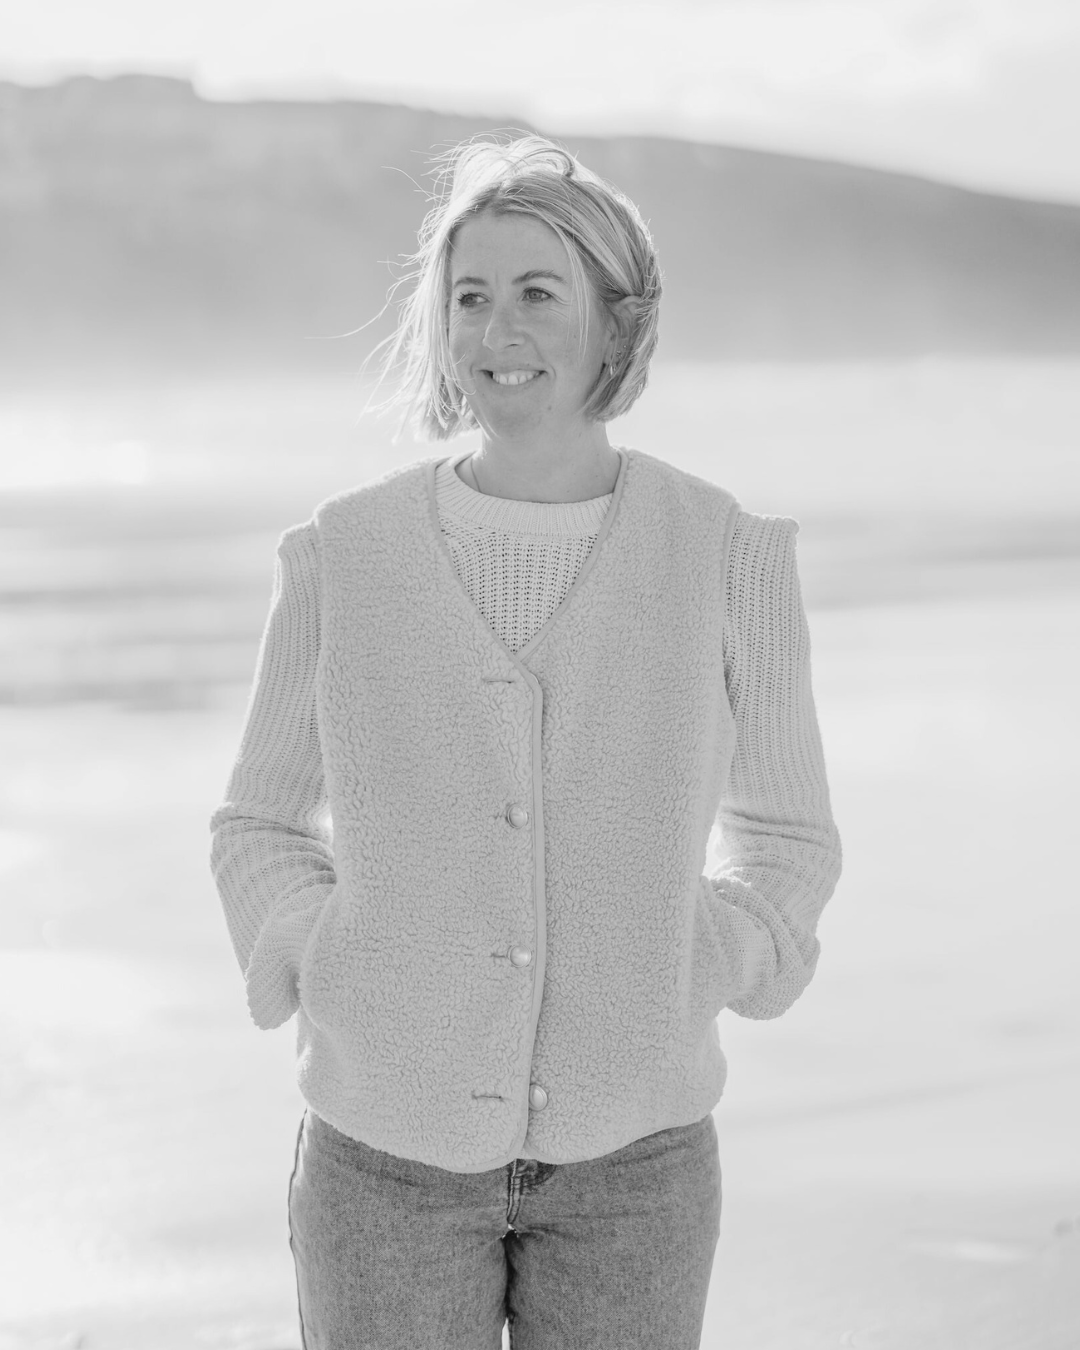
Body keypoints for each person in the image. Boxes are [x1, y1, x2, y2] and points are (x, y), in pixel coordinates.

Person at [210, 133, 842, 1350]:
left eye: (538, 294)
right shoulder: (342, 555)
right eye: (470, 298)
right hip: (381, 1166)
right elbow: (259, 821)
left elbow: (788, 838)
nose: (498, 330)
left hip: (638, 1173)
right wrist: (325, 957)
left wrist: (707, 958)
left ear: (616, 323)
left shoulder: (728, 555)